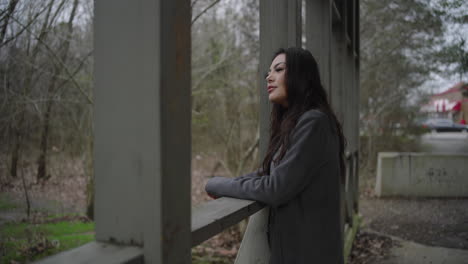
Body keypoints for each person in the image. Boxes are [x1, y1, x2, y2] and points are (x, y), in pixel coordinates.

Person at [205, 47, 346, 264]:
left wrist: (216, 184)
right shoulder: (299, 122)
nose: (269, 77)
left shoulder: (314, 122)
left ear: (302, 75)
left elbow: (275, 187)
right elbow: (268, 173)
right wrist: (228, 183)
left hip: (308, 254)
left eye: (278, 69)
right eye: (268, 73)